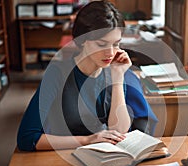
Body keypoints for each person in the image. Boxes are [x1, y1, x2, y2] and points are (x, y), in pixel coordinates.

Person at [17, 0, 157, 151]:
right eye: (102, 44)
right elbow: (27, 138)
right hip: (64, 157)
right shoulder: (57, 74)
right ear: (82, 40)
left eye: (116, 44)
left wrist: (118, 79)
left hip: (102, 157)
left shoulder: (116, 71)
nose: (110, 53)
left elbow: (120, 133)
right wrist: (87, 140)